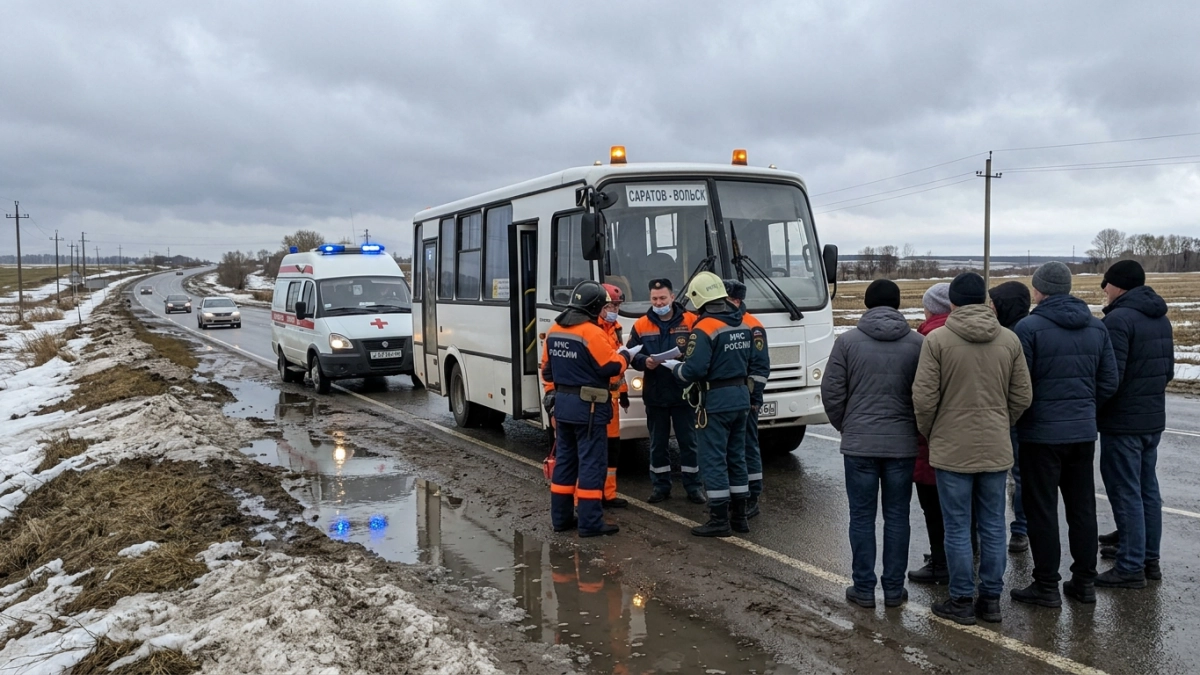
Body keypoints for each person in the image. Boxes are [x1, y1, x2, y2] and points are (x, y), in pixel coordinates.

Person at [913, 272, 1032, 625]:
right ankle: (991, 600)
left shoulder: (936, 340)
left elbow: (924, 399)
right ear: (984, 300)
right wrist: (1001, 422)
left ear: (952, 302)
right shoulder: (1009, 339)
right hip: (995, 446)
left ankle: (962, 599)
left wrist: (934, 432)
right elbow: (1022, 395)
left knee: (957, 526)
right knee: (994, 525)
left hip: (951, 449)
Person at [1010, 262, 1118, 608]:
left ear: (1040, 290)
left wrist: (1024, 417)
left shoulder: (1028, 328)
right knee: (1082, 508)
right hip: (1082, 433)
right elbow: (1109, 380)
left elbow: (1020, 385)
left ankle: (1046, 585)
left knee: (1042, 510)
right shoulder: (1096, 327)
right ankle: (1084, 582)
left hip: (1040, 435)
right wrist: (1085, 409)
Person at [822, 279, 924, 609]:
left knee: (862, 517)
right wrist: (917, 429)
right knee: (897, 517)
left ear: (866, 304)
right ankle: (894, 589)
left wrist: (847, 425)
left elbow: (831, 392)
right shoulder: (918, 343)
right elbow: (926, 394)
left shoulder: (847, 342)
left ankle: (864, 588)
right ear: (898, 304)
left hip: (859, 445)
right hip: (902, 444)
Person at [1095, 260, 1174, 589]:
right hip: (1152, 419)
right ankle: (1148, 558)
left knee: (1126, 491)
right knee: (1147, 490)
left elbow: (1110, 378)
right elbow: (1168, 371)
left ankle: (1130, 566)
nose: (1104, 289)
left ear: (1119, 286)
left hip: (1123, 422)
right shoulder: (1160, 318)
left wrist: (1094, 407)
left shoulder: (1119, 320)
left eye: (1107, 283)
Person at [667, 271, 753, 537]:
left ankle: (719, 519)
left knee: (714, 459)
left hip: (715, 402)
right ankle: (740, 517)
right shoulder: (742, 324)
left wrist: (676, 370)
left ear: (698, 298)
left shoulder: (704, 328)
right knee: (737, 457)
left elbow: (694, 370)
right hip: (741, 398)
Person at [541, 281, 630, 537]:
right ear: (594, 307)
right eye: (603, 306)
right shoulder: (591, 333)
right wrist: (626, 357)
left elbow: (547, 372)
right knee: (592, 463)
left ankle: (561, 519)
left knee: (566, 463)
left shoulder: (554, 330)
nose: (604, 311)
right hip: (589, 408)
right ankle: (590, 523)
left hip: (563, 406)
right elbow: (610, 367)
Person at [627, 278, 705, 504]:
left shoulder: (691, 320)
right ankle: (660, 487)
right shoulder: (641, 325)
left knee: (689, 443)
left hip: (684, 393)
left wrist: (685, 357)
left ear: (672, 297)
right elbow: (631, 354)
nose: (659, 302)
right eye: (654, 299)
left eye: (662, 298)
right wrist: (644, 361)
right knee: (657, 444)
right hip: (655, 394)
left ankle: (694, 487)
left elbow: (702, 350)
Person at [909, 282, 951, 584]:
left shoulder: (927, 339)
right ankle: (961, 553)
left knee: (934, 507)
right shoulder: (992, 334)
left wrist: (923, 430)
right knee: (967, 506)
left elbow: (922, 397)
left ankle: (941, 562)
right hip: (978, 439)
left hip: (934, 438)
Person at [989, 280, 1033, 554]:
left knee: (1016, 476)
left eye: (995, 303)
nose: (991, 308)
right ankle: (1020, 528)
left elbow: (1019, 386)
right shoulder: (1011, 331)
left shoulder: (1015, 336)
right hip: (1015, 415)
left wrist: (1009, 415)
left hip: (1015, 417)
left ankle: (1020, 529)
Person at [724, 279, 770, 519]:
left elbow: (760, 368)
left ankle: (753, 496)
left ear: (736, 301)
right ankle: (735, 495)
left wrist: (755, 398)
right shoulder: (724, 322)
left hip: (746, 398)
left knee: (748, 446)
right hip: (730, 397)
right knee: (731, 448)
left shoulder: (753, 326)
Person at [599, 283, 631, 509]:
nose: (614, 310)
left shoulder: (615, 329)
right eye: (611, 306)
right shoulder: (594, 330)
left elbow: (619, 370)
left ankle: (608, 493)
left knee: (612, 450)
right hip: (598, 399)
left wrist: (625, 392)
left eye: (617, 306)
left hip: (613, 401)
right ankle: (592, 496)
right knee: (594, 450)